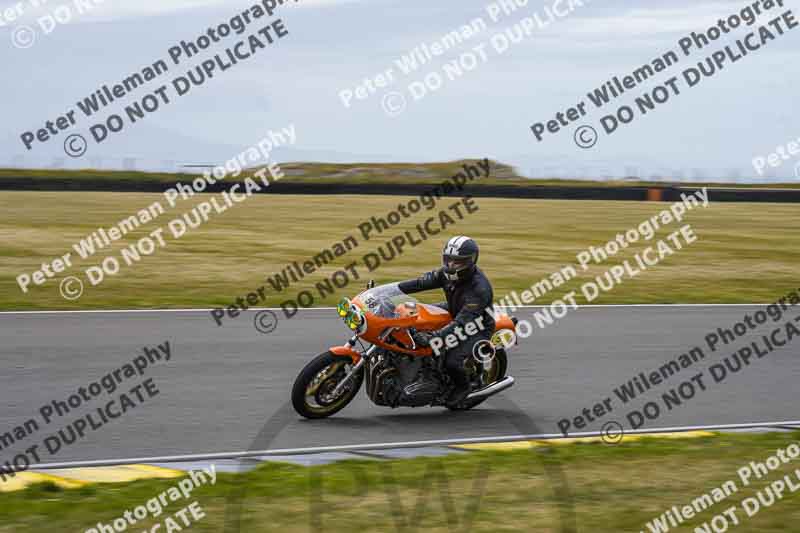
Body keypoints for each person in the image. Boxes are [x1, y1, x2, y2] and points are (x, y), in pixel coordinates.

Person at [398, 236, 495, 406]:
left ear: (470, 261)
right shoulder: (446, 274)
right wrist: (390, 289)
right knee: (416, 315)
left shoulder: (479, 289)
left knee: (452, 360)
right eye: (448, 260)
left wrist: (432, 337)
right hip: (455, 309)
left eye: (457, 262)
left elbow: (461, 324)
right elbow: (420, 283)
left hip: (476, 325)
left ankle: (463, 387)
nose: (451, 265)